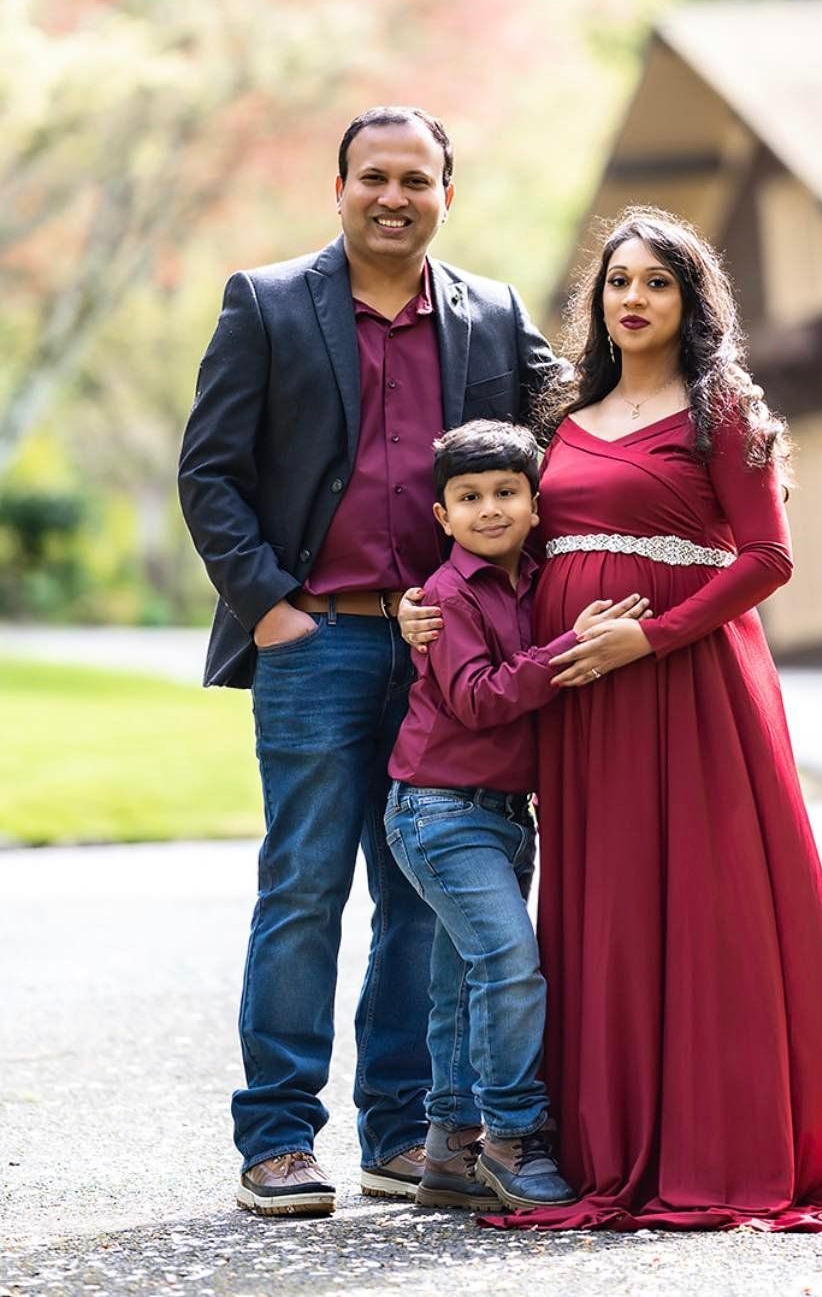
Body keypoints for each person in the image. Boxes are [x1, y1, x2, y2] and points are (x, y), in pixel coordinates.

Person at [401, 206, 822, 1233]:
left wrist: (648, 639)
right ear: (596, 301)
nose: (635, 298)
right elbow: (499, 536)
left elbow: (767, 558)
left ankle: (726, 1135)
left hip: (692, 688)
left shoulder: (723, 407)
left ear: (690, 300)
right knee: (605, 909)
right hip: (585, 709)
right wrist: (419, 602)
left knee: (713, 901)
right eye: (618, 282)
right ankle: (611, 1141)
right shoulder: (561, 412)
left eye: (658, 281)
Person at [177, 105, 560, 1218]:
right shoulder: (267, 302)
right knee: (304, 883)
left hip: (448, 649)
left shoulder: (491, 314)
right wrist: (273, 608)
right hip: (319, 636)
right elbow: (210, 473)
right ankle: (279, 1138)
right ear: (339, 187)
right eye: (374, 176)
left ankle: (403, 1135)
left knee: (421, 897)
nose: (395, 195)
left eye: (418, 179)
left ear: (450, 193)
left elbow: (576, 430)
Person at [384, 418, 649, 1214]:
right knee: (508, 963)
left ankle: (448, 1147)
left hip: (503, 814)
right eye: (469, 497)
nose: (489, 509)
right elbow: (476, 697)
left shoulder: (542, 580)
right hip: (437, 810)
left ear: (537, 504)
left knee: (464, 980)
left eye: (506, 493)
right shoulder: (443, 597)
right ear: (442, 516)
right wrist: (571, 647)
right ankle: (511, 1134)